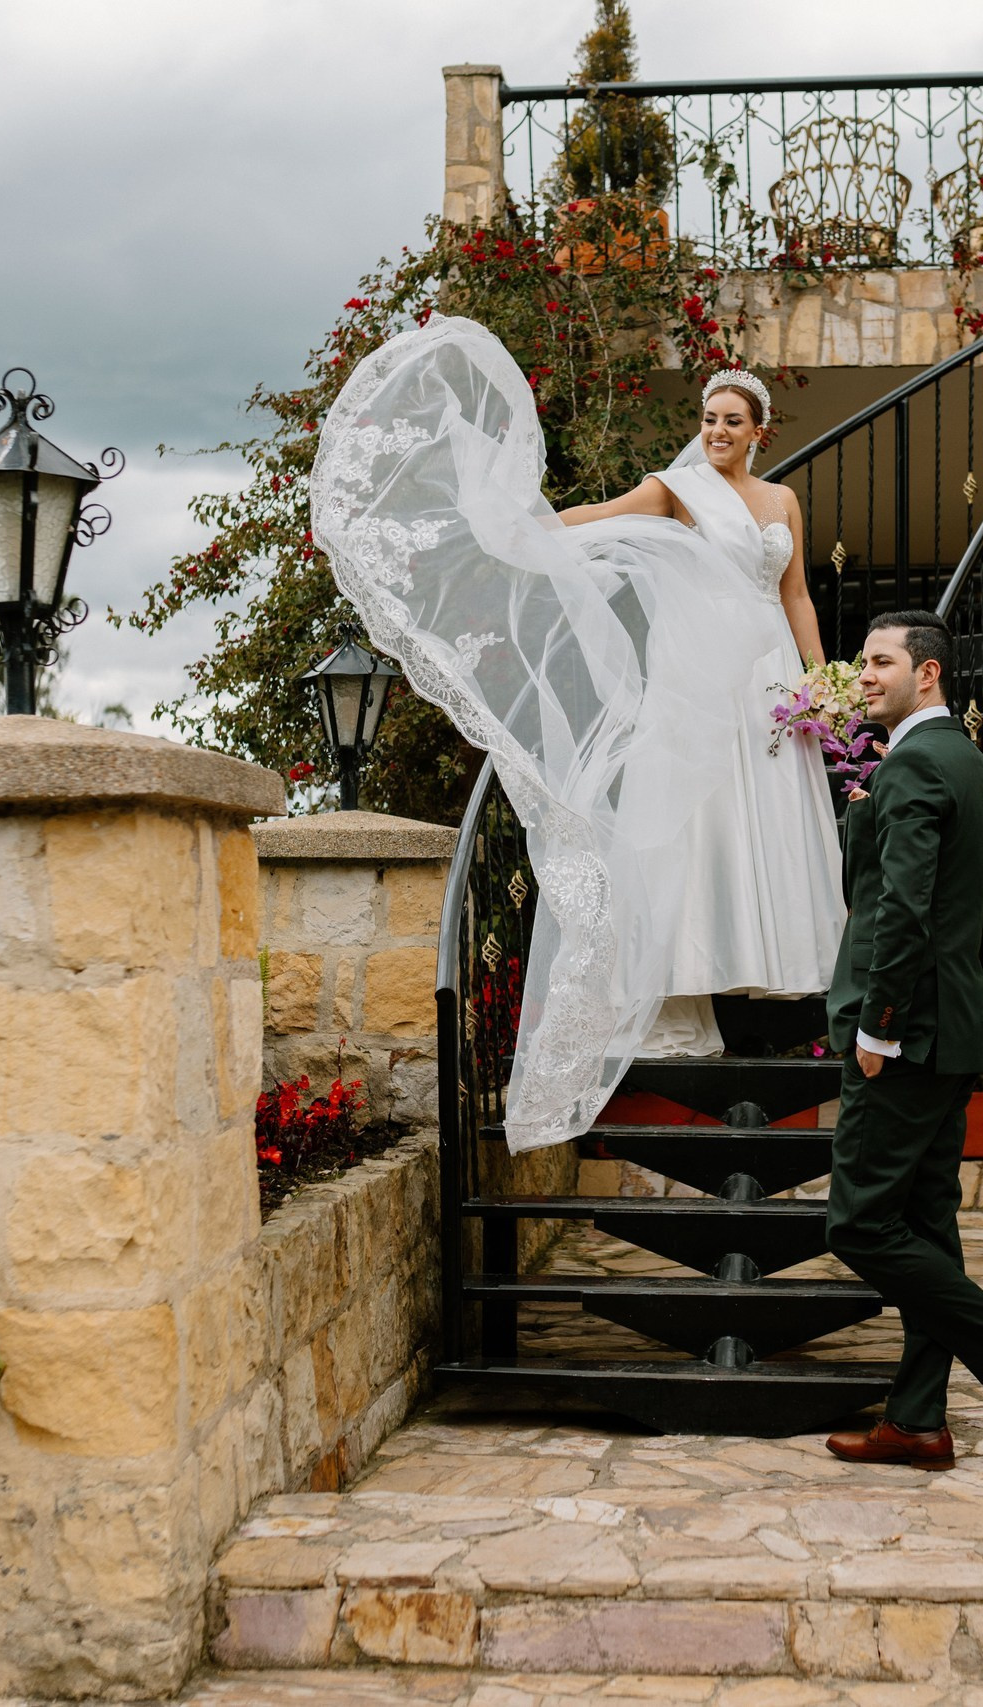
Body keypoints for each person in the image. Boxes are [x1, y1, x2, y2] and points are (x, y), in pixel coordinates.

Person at [310, 316, 845, 1150]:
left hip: (769, 680)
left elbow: (797, 595)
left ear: (758, 431)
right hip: (697, 674)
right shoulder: (677, 488)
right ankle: (684, 994)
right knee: (699, 825)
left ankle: (768, 975)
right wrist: (521, 522)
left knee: (763, 823)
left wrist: (822, 681)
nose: (716, 433)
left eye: (732, 423)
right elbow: (603, 515)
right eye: (708, 420)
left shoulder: (782, 501)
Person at [821, 612, 983, 1470]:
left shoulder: (918, 765)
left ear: (927, 674)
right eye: (864, 663)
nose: (865, 675)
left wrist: (877, 1027)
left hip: (905, 1038)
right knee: (925, 1226)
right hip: (953, 1029)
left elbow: (902, 910)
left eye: (881, 662)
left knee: (858, 1224)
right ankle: (917, 1421)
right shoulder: (969, 766)